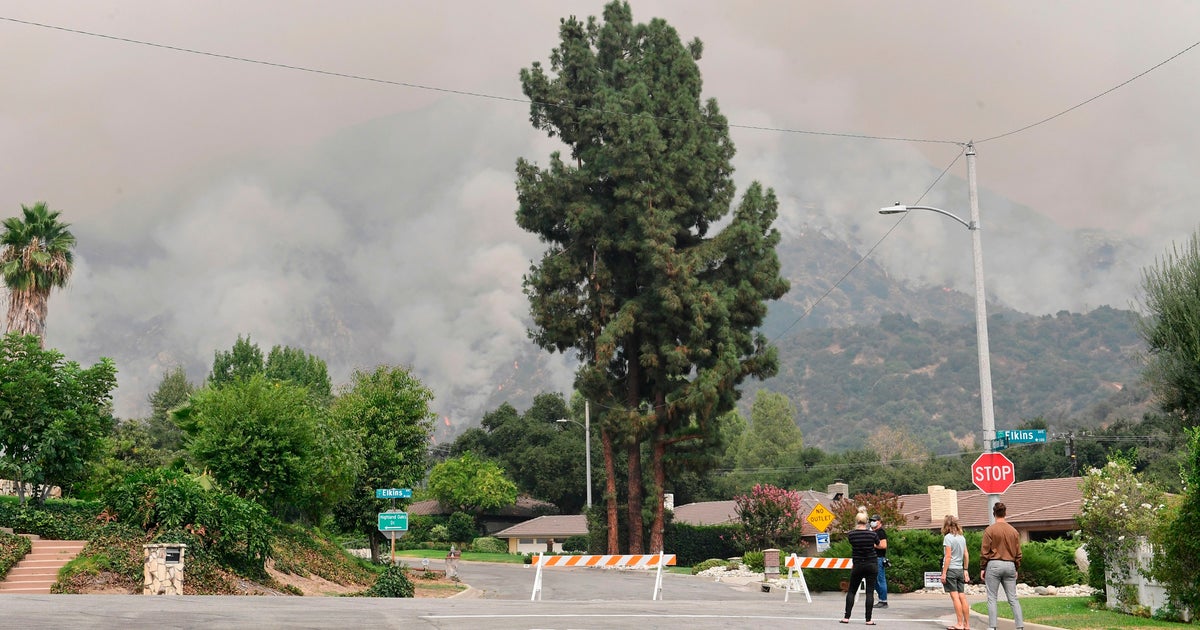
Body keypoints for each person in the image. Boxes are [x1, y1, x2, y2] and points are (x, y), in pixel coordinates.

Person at [981, 502, 1024, 630]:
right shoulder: (1014, 531)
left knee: (992, 598)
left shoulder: (990, 530)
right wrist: (1016, 567)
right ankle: (1020, 626)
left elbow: (985, 551)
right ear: (1005, 513)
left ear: (994, 514)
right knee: (1013, 598)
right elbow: (1018, 552)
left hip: (994, 565)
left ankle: (993, 627)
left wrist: (983, 567)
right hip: (1010, 565)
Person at [842, 507, 879, 625]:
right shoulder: (872, 534)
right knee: (869, 592)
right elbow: (878, 544)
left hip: (858, 564)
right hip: (871, 564)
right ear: (867, 521)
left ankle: (846, 617)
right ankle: (868, 619)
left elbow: (853, 544)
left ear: (856, 521)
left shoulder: (851, 535)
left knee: (852, 590)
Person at [940, 514, 971, 630]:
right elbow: (966, 554)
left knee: (955, 597)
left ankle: (959, 623)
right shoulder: (962, 538)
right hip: (959, 570)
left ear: (946, 525)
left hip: (951, 570)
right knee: (962, 596)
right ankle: (967, 624)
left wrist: (944, 573)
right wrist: (965, 569)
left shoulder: (948, 538)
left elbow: (948, 557)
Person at [870, 514, 889, 608]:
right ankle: (881, 599)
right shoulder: (874, 532)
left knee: (880, 580)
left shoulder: (881, 532)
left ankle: (884, 600)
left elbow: (884, 545)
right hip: (873, 558)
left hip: (879, 558)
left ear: (879, 521)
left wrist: (872, 545)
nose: (872, 522)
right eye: (871, 520)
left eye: (874, 520)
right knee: (875, 580)